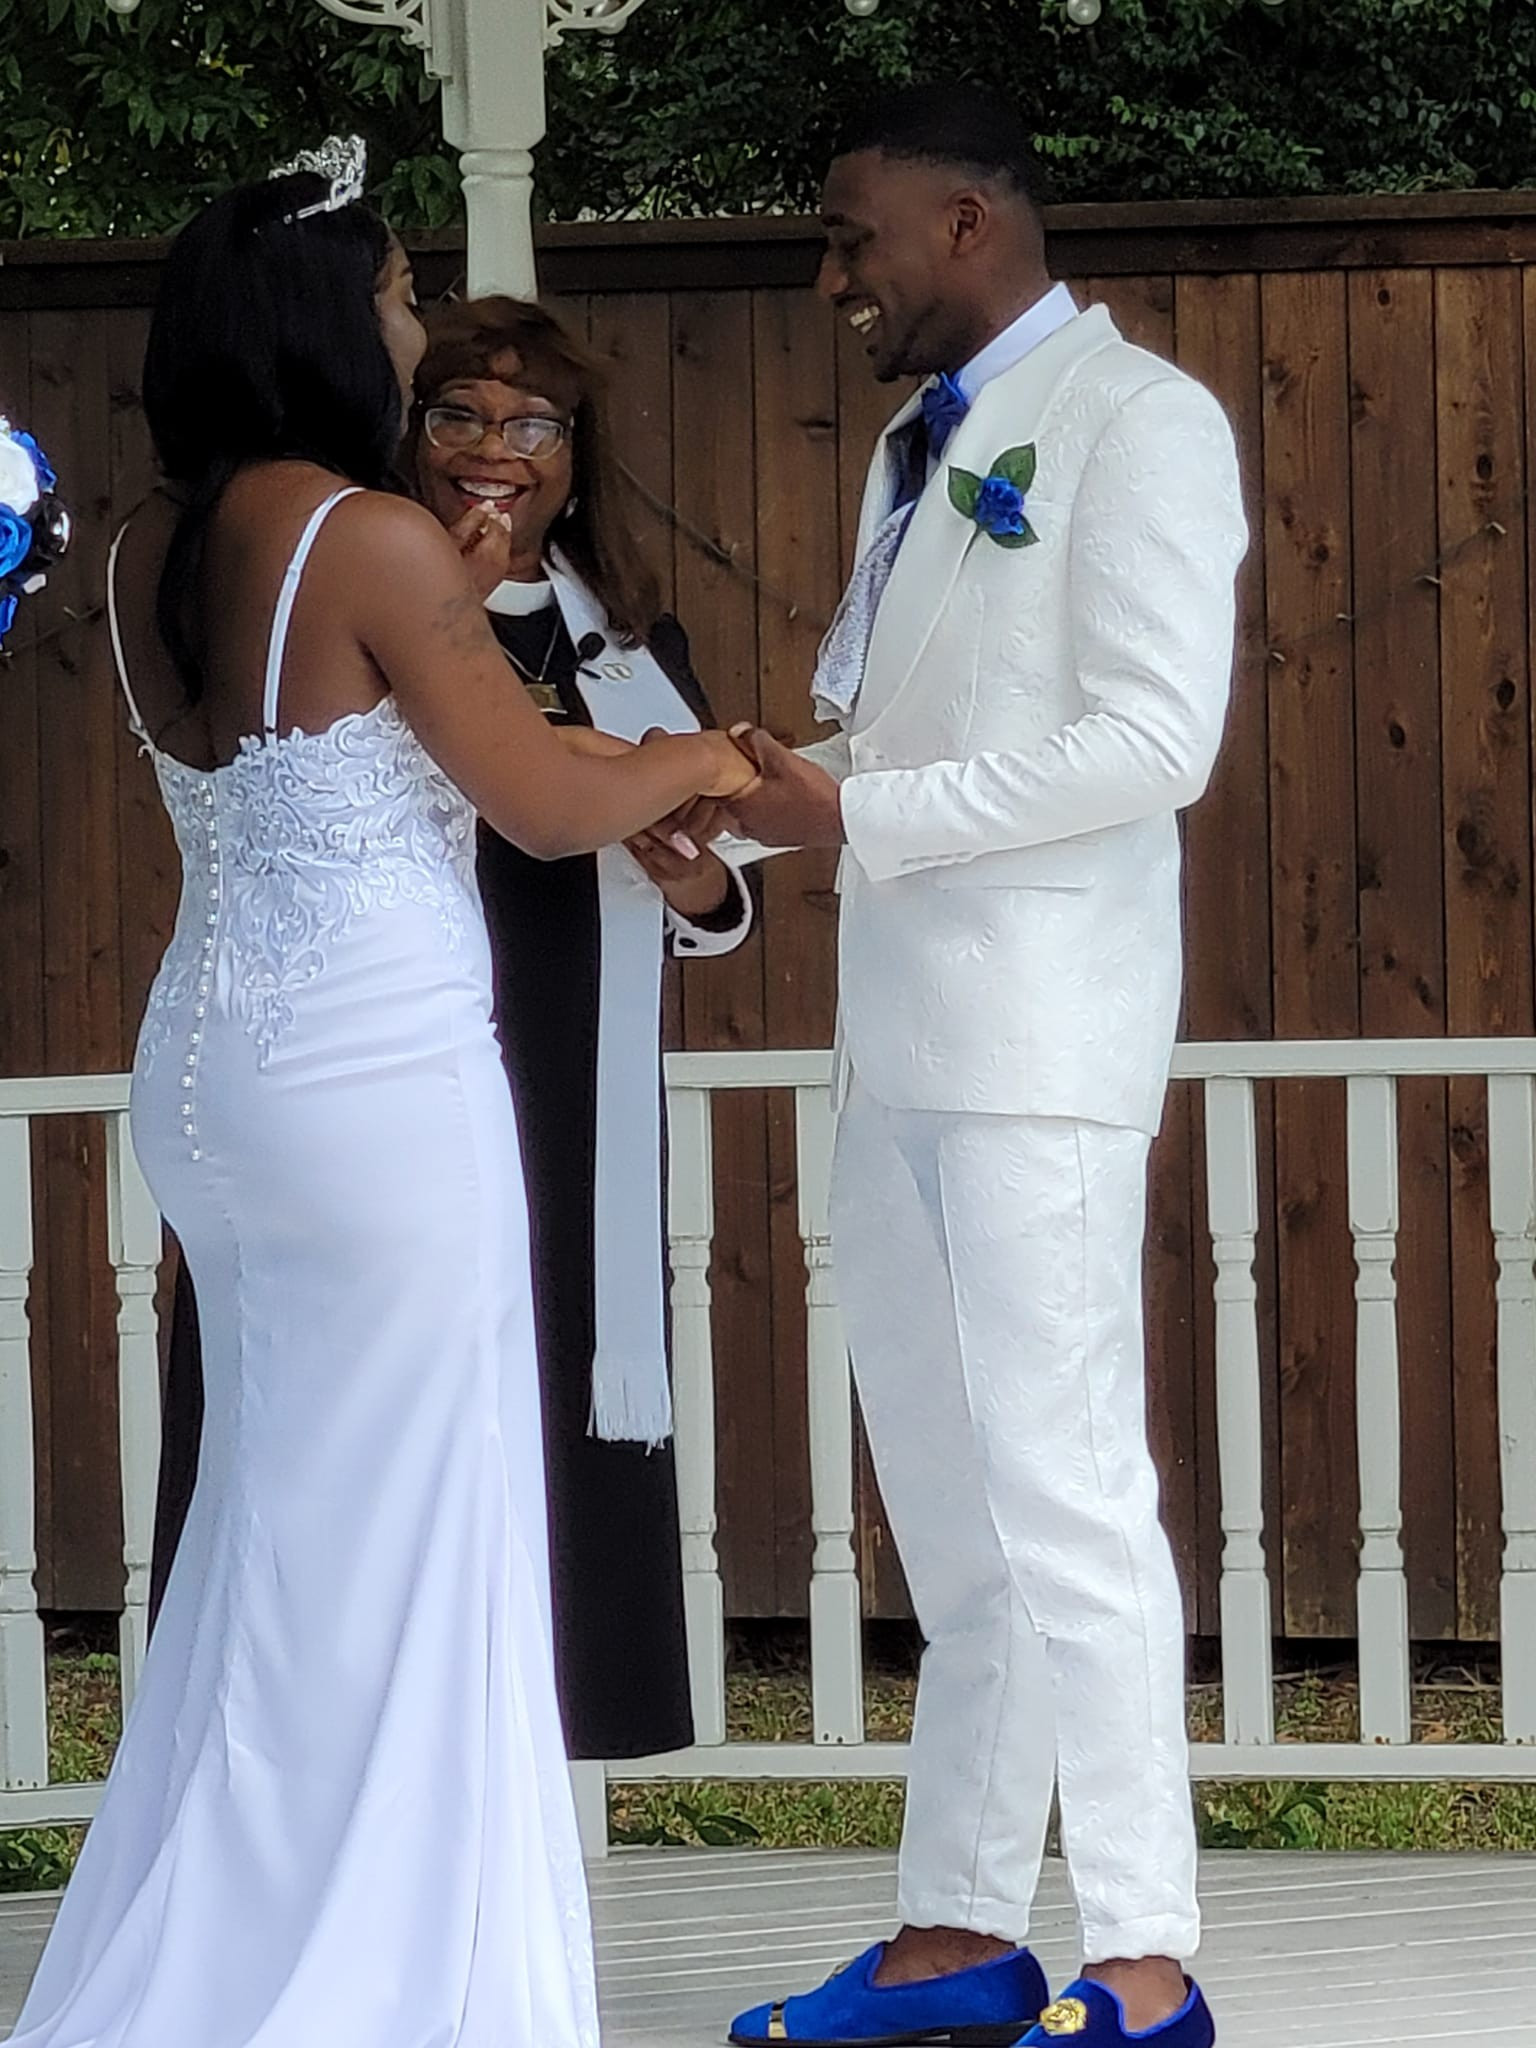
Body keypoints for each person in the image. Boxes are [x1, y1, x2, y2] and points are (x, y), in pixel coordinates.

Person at [10, 142, 756, 2048]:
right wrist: (702, 759)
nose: (415, 325)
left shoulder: (152, 542)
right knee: (421, 1535)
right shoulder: (368, 536)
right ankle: (397, 1985)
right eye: (399, 293)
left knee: (273, 1525)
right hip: (373, 1082)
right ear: (325, 321)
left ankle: (225, 1946)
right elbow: (547, 801)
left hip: (214, 1071)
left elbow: (326, 725)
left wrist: (470, 603)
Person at [721, 85, 1246, 2048]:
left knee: (1069, 1498)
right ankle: (958, 1934)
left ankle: (1145, 1955)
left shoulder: (1139, 421)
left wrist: (859, 815)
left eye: (849, 236)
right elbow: (898, 746)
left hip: (1040, 1046)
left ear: (964, 224)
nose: (830, 277)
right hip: (898, 1048)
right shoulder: (913, 447)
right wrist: (746, 813)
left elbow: (1154, 741)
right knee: (953, 1519)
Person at [152, 294, 754, 1765]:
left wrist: (693, 866)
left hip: (568, 1056)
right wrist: (671, 766)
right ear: (408, 428)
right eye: (462, 414)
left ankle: (536, 1742)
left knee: (553, 1363)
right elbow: (513, 795)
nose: (496, 447)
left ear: (576, 453)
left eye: (533, 422)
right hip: (394, 1051)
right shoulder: (350, 592)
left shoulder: (628, 640)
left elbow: (709, 891)